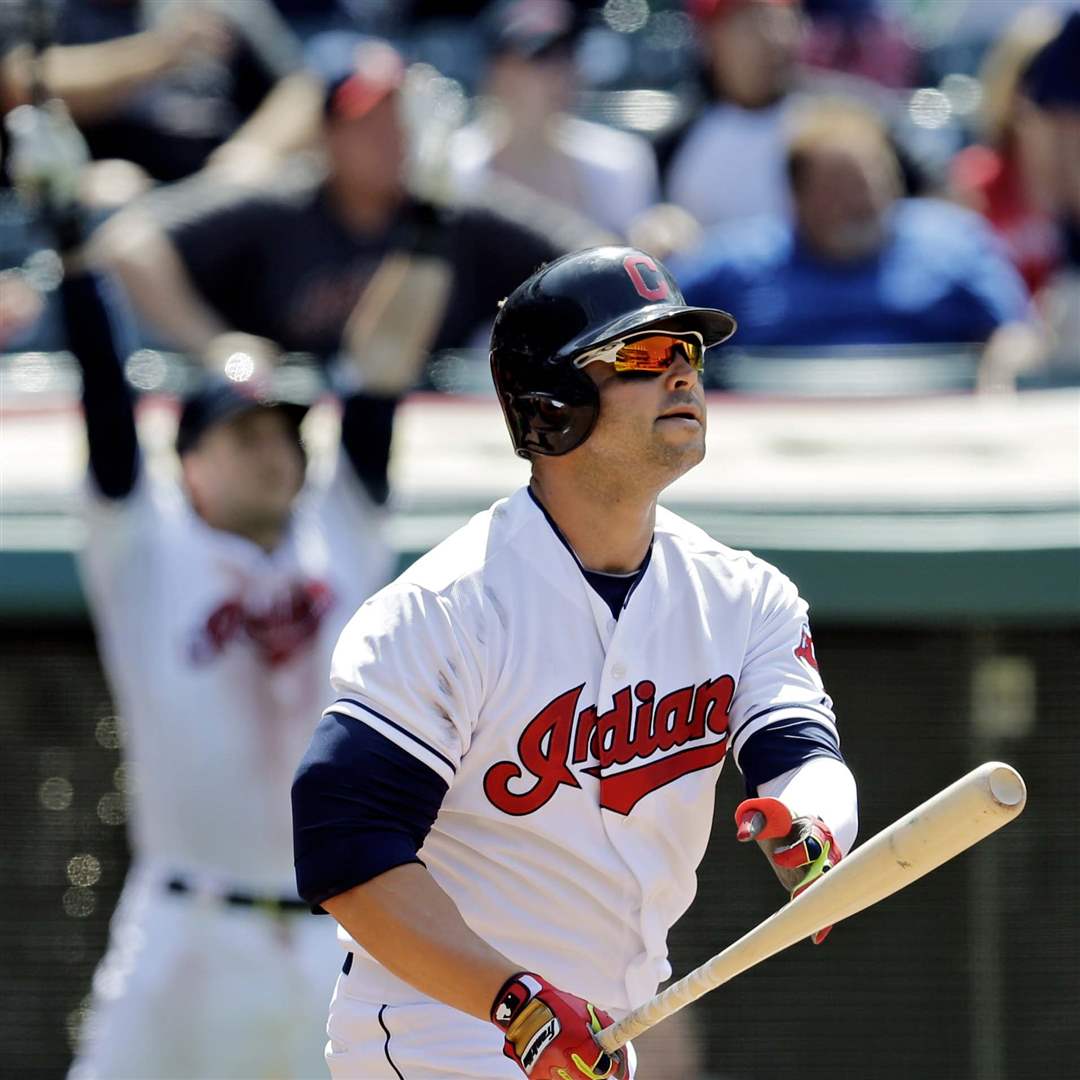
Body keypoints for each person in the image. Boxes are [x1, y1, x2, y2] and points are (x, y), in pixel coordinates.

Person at [292, 246, 860, 1077]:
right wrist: (515, 1005)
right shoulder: (448, 608)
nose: (681, 374)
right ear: (551, 401)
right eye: (643, 353)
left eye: (688, 352)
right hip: (446, 1030)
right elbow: (345, 850)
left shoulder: (744, 597)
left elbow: (802, 756)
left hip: (602, 1033)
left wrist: (812, 825)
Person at [12, 100, 397, 1072]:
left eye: (285, 435)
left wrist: (426, 218)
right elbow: (106, 404)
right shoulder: (150, 551)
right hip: (185, 932)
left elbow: (379, 384)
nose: (273, 453)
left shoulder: (340, 534)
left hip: (337, 939)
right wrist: (70, 236)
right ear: (190, 463)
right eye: (246, 435)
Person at [92, 35, 565, 406]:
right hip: (286, 422)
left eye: (400, 119)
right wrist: (218, 346)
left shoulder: (447, 210)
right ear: (327, 134)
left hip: (427, 431)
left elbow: (584, 258)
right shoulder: (279, 206)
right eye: (367, 122)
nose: (388, 137)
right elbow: (126, 243)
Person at [674, 101, 1041, 388]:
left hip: (931, 430)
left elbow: (1016, 332)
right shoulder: (736, 264)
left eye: (867, 183)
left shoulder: (957, 245)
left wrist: (1007, 367)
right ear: (796, 196)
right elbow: (655, 320)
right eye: (835, 188)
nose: (856, 203)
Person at [447, 0, 660, 239]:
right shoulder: (454, 170)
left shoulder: (622, 164)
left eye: (567, 54)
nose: (560, 73)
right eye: (540, 59)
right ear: (497, 72)